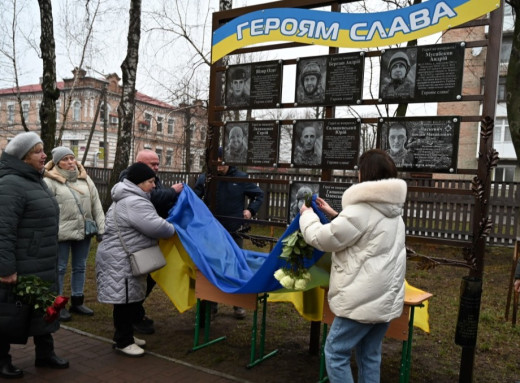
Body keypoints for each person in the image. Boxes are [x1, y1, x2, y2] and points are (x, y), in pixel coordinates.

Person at [299, 149, 407, 383]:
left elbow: (322, 238)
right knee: (369, 355)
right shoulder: (393, 212)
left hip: (361, 302)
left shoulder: (361, 211)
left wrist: (306, 215)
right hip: (384, 302)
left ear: (365, 175)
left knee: (335, 352)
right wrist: (335, 214)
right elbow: (366, 233)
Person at [0, 132, 70, 379]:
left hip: (42, 260)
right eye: (38, 152)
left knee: (43, 308)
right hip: (22, 262)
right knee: (8, 313)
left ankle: (45, 353)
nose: (44, 155)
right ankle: (1, 359)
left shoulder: (35, 179)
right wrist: (5, 268)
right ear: (23, 157)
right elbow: (3, 229)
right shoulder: (10, 184)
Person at [96, 162, 177, 357]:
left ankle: (125, 336)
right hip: (122, 259)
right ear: (140, 183)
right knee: (124, 301)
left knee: (129, 300)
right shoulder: (134, 202)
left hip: (121, 257)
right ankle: (123, 341)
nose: (154, 185)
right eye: (150, 181)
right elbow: (157, 227)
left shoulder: (126, 197)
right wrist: (173, 227)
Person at [194, 147, 264, 320]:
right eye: (215, 163)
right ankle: (211, 305)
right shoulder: (206, 178)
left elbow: (259, 195)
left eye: (222, 163)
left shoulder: (240, 178)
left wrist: (250, 211)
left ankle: (239, 304)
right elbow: (195, 197)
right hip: (212, 232)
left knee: (236, 265)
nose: (219, 167)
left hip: (234, 230)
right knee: (213, 267)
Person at [119, 149, 183, 334]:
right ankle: (131, 322)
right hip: (137, 242)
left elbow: (159, 200)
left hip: (149, 239)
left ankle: (135, 315)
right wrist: (173, 192)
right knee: (138, 279)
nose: (156, 167)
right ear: (138, 164)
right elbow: (153, 199)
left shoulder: (152, 179)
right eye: (152, 164)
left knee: (148, 276)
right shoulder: (129, 179)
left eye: (157, 163)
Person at [44, 146, 105, 322]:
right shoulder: (49, 182)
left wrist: (102, 229)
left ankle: (77, 301)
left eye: (72, 158)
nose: (71, 162)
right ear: (57, 162)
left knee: (80, 266)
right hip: (60, 233)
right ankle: (58, 304)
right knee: (60, 268)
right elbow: (46, 210)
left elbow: (97, 206)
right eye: (65, 159)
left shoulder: (85, 179)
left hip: (84, 231)